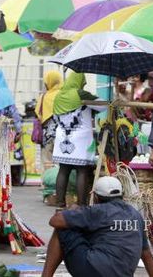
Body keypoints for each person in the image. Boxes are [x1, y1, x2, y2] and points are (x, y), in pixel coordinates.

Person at [42, 176, 153, 277]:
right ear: (122, 195)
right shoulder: (135, 214)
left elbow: (55, 220)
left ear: (96, 197)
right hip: (124, 274)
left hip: (94, 270)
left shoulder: (98, 211)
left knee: (62, 228)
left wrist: (72, 210)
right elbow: (147, 256)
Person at [52, 72, 107, 208]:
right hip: (80, 138)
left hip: (62, 136)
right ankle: (81, 205)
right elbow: (103, 105)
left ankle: (60, 204)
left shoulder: (59, 95)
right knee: (81, 170)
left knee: (63, 170)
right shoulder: (80, 94)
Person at [35, 70, 63, 170]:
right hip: (62, 135)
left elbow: (38, 114)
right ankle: (60, 184)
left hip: (46, 136)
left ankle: (47, 183)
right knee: (60, 164)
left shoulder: (43, 97)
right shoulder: (63, 96)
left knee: (47, 162)